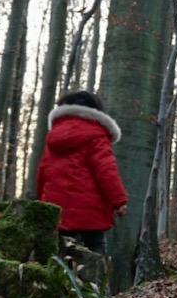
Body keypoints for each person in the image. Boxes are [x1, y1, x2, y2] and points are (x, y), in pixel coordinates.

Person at [35, 90, 128, 255]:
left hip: (56, 211)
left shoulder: (54, 137)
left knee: (59, 255)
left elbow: (42, 174)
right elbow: (106, 172)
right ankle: (95, 280)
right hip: (92, 212)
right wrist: (118, 201)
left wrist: (42, 203)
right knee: (95, 253)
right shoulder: (97, 136)